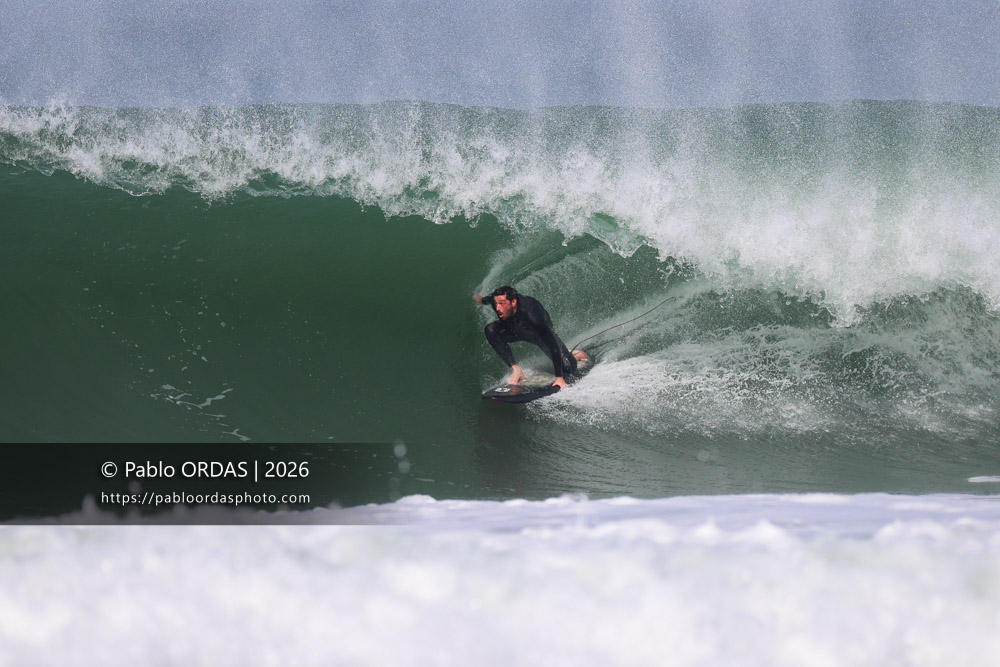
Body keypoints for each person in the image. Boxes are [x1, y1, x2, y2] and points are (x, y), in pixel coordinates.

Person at [475, 286, 588, 389]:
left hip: (537, 334)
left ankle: (574, 353)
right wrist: (480, 299)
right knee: (490, 329)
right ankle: (516, 370)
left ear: (513, 302)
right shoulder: (498, 303)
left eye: (502, 303)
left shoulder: (532, 315)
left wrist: (559, 377)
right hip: (515, 329)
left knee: (568, 367)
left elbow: (552, 343)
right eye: (496, 304)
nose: (498, 308)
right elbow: (488, 300)